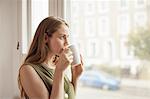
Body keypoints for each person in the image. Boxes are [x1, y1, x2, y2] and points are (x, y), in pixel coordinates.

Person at [18, 16, 83, 99]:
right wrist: (59, 71)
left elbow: (68, 97)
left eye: (67, 37)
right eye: (62, 37)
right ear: (45, 38)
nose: (67, 43)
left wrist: (75, 77)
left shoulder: (57, 64)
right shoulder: (27, 70)